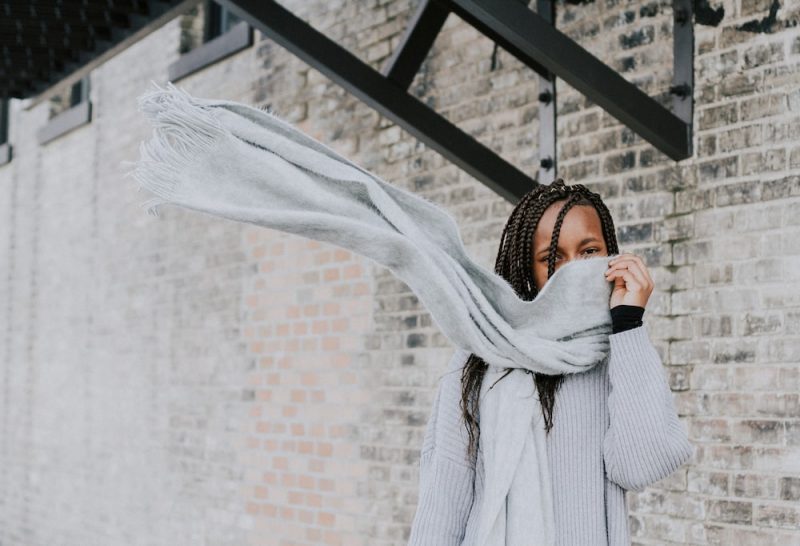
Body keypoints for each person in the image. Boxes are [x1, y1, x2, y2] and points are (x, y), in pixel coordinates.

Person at [408, 178, 694, 546]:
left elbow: (640, 466)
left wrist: (628, 327)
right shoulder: (482, 355)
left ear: (612, 255)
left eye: (589, 251)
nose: (573, 270)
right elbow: (443, 496)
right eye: (551, 258)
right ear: (528, 267)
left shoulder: (618, 353)